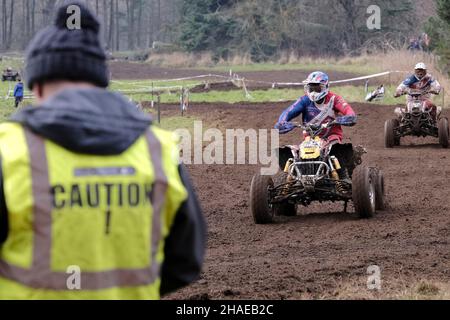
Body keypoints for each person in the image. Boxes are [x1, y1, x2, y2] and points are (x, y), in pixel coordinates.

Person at [0, 1, 206, 300]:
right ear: (100, 81)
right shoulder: (156, 149)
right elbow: (186, 261)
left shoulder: (10, 151)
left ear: (39, 85)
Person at [274, 71, 357, 180]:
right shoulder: (304, 100)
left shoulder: (334, 99)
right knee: (293, 154)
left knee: (336, 150)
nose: (313, 92)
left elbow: (349, 111)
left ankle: (343, 177)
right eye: (311, 88)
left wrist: (347, 117)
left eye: (317, 88)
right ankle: (289, 180)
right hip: (310, 139)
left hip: (331, 137)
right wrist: (282, 122)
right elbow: (288, 112)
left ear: (325, 87)